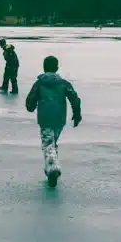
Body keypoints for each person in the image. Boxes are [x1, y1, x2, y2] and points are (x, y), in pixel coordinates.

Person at [25, 55, 82, 187]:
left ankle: (52, 166)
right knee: (53, 141)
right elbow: (74, 97)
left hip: (45, 118)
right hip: (59, 118)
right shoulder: (63, 83)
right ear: (56, 68)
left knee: (48, 143)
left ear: (44, 67)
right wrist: (77, 113)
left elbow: (30, 100)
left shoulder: (39, 83)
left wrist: (31, 106)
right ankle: (52, 166)